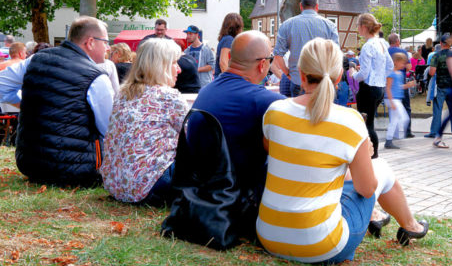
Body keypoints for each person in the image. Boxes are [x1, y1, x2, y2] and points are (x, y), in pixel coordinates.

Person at [257, 38, 428, 264]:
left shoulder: (275, 111)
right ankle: (410, 226)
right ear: (339, 76)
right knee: (382, 168)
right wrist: (363, 154)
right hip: (320, 246)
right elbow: (367, 190)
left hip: (269, 236)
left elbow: (274, 150)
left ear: (300, 72)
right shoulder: (349, 120)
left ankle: (381, 218)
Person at [0, 16, 114, 186]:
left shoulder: (36, 59)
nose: (108, 47)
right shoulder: (97, 77)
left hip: (30, 164)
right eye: (105, 41)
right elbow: (110, 129)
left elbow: (2, 87)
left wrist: (25, 105)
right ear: (90, 42)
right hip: (79, 171)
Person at [187, 31, 285, 205]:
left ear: (230, 56)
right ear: (263, 64)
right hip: (240, 200)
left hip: (200, 192)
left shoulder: (206, 91)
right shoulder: (266, 101)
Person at [100, 38, 188, 205]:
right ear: (160, 65)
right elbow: (193, 137)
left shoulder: (123, 94)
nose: (179, 69)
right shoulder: (169, 97)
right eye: (175, 63)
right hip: (150, 187)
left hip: (118, 185)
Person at [273, 0, 339, 96]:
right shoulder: (330, 26)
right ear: (317, 6)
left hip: (297, 80)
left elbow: (277, 55)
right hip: (322, 82)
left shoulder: (287, 25)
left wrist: (288, 73)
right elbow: (336, 56)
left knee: (298, 112)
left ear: (301, 6)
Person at [350, 14, 393, 158]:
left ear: (363, 27)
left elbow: (364, 73)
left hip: (368, 88)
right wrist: (381, 76)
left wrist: (353, 74)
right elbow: (390, 66)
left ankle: (370, 155)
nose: (357, 29)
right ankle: (372, 155)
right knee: (370, 123)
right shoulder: (381, 43)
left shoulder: (368, 46)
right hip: (379, 88)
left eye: (357, 26)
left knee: (366, 124)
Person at [425, 35, 452, 138]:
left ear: (440, 43)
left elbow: (432, 72)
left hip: (440, 86)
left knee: (437, 110)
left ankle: (434, 132)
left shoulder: (436, 56)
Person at [384, 53, 416, 149]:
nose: (403, 65)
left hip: (397, 99)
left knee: (395, 120)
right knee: (404, 118)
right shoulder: (391, 73)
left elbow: (398, 87)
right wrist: (391, 102)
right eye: (402, 63)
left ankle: (390, 140)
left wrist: (408, 85)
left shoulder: (400, 74)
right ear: (396, 62)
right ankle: (394, 137)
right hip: (393, 99)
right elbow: (388, 88)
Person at [388, 33, 414, 138]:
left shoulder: (386, 51)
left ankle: (395, 133)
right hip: (400, 81)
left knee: (392, 111)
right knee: (406, 106)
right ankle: (407, 132)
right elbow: (409, 67)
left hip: (388, 81)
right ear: (398, 41)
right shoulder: (402, 52)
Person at [214, 13, 244, 79]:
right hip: (224, 82)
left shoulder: (226, 39)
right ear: (237, 27)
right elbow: (223, 63)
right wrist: (231, 80)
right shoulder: (228, 39)